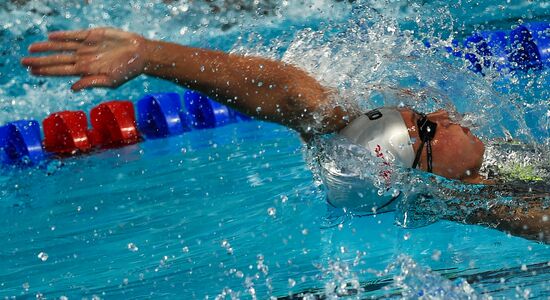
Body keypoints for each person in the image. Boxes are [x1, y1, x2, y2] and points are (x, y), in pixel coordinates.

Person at [20, 27, 548, 243]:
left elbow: (304, 102)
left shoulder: (489, 167)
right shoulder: (494, 204)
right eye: (429, 126)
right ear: (421, 171)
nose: (446, 113)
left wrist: (153, 54)